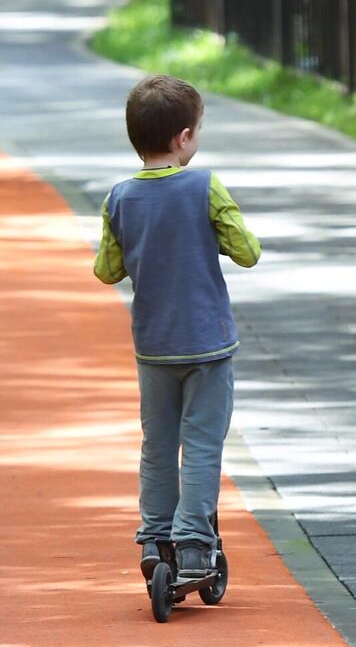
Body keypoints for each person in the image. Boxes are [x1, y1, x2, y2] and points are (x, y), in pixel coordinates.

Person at [93, 75, 262, 585]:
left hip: (154, 346)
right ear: (184, 137)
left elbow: (107, 270)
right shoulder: (205, 185)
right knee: (204, 445)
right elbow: (247, 253)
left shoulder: (119, 198)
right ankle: (192, 542)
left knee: (158, 446)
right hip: (208, 343)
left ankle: (154, 536)